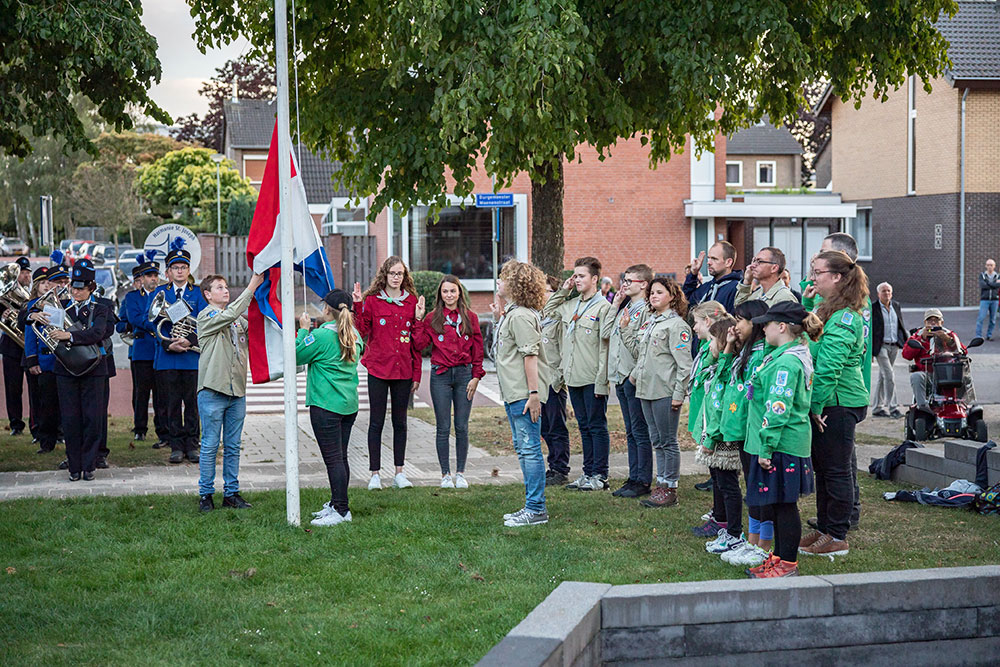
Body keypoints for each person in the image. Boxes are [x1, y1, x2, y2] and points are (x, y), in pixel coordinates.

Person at [798, 250, 869, 558]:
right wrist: (808, 303)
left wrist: (814, 407)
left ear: (837, 277)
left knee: (837, 470)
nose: (812, 277)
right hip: (827, 401)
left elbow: (828, 368)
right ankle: (826, 527)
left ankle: (838, 535)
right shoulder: (828, 310)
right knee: (824, 469)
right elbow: (810, 340)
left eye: (817, 272)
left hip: (837, 403)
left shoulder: (846, 318)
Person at [744, 301, 823, 578]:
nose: (762, 328)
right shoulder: (782, 355)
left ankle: (787, 564)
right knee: (775, 505)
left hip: (781, 445)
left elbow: (778, 408)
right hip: (778, 444)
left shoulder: (786, 364)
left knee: (784, 506)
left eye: (767, 323)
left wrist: (766, 447)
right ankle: (777, 557)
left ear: (781, 327)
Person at [195, 272, 264, 512]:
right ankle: (206, 494)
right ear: (207, 294)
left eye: (226, 287)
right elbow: (232, 312)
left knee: (233, 445)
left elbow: (253, 322)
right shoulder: (206, 316)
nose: (225, 291)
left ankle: (231, 493)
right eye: (219, 288)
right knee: (210, 444)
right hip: (213, 389)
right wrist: (252, 286)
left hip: (237, 390)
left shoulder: (235, 320)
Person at [352, 256, 422, 490]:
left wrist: (417, 374)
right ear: (385, 274)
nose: (395, 277)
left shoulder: (411, 302)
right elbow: (361, 330)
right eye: (392, 273)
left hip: (403, 370)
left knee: (400, 422)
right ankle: (374, 474)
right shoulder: (372, 301)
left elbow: (417, 344)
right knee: (376, 422)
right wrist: (358, 305)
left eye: (400, 274)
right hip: (379, 369)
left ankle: (399, 473)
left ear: (404, 276)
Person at [543, 257, 612, 491]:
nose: (577, 279)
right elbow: (548, 310)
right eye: (575, 275)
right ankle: (587, 472)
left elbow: (605, 347)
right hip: (573, 376)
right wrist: (564, 290)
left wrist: (603, 380)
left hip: (592, 377)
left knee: (596, 425)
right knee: (583, 425)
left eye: (581, 276)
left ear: (595, 279)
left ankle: (600, 475)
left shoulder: (603, 307)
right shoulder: (571, 305)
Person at [298, 289, 365, 527]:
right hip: (348, 405)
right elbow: (362, 351)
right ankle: (337, 503)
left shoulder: (322, 336)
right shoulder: (354, 334)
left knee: (334, 459)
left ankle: (342, 510)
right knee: (341, 457)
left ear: (327, 309)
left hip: (325, 405)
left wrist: (304, 329)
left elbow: (296, 355)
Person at [491, 260, 551, 527]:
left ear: (514, 284)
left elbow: (531, 356)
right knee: (523, 448)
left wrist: (534, 393)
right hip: (513, 393)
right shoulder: (513, 314)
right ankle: (531, 505)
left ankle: (536, 508)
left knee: (530, 450)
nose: (498, 283)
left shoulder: (522, 316)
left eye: (502, 278)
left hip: (525, 395)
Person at [716, 301, 775, 568]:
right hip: (746, 429)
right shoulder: (747, 351)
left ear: (756, 322)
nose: (735, 326)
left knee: (761, 491)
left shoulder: (764, 353)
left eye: (740, 321)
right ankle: (751, 542)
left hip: (758, 431)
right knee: (753, 490)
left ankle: (762, 545)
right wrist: (729, 345)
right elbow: (724, 376)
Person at [412, 274, 485, 489]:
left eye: (453, 291)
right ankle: (445, 474)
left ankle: (461, 473)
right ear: (440, 294)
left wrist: (476, 376)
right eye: (445, 291)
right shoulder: (433, 318)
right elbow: (419, 344)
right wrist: (418, 320)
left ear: (459, 292)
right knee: (443, 427)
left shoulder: (470, 317)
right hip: (440, 376)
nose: (449, 295)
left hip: (464, 376)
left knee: (461, 426)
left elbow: (477, 349)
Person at [47, 261, 111, 481]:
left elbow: (98, 332)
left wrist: (70, 336)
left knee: (92, 419)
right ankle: (74, 466)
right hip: (66, 370)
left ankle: (89, 464)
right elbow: (27, 314)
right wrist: (33, 315)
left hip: (94, 369)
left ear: (90, 288)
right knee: (70, 419)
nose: (75, 292)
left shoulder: (101, 307)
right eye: (73, 287)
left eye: (80, 288)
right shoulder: (60, 306)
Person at [632, 279, 693, 509]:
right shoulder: (650, 322)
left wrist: (679, 394)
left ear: (672, 296)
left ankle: (670, 487)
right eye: (651, 293)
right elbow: (643, 355)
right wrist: (635, 376)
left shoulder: (676, 325)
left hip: (665, 391)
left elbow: (684, 365)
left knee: (668, 440)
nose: (653, 296)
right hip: (647, 389)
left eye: (659, 292)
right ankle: (661, 483)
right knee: (656, 440)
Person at [149, 246, 208, 464]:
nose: (180, 271)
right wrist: (168, 345)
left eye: (183, 267)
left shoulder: (197, 293)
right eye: (175, 267)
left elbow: (204, 321)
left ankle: (192, 444)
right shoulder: (160, 293)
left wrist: (190, 340)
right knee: (171, 403)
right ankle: (176, 445)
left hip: (191, 359)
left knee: (192, 403)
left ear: (188, 269)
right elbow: (153, 323)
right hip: (168, 358)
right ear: (168, 272)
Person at [699, 317, 749, 559]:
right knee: (721, 484)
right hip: (717, 436)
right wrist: (727, 346)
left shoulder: (729, 373)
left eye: (711, 341)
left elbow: (719, 409)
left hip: (722, 438)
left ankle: (734, 533)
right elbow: (719, 364)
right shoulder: (724, 366)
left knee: (729, 487)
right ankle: (728, 530)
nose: (708, 346)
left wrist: (710, 440)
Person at [607, 264, 652, 498]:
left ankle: (643, 480)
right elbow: (606, 334)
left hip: (633, 376)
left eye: (630, 281)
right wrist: (615, 304)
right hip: (620, 375)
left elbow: (641, 346)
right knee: (630, 430)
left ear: (643, 284)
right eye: (623, 280)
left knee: (639, 430)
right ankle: (633, 476)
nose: (624, 284)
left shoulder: (645, 309)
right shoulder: (626, 307)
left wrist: (633, 375)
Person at [119, 256, 168, 446]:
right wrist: (155, 325)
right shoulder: (132, 297)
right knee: (141, 393)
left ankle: (163, 430)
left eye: (155, 275)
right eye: (149, 276)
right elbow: (135, 319)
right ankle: (140, 428)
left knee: (161, 394)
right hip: (142, 351)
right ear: (143, 278)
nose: (153, 279)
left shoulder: (164, 294)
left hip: (161, 350)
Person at [21, 268, 59, 454]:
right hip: (44, 360)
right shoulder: (32, 307)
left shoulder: (59, 303)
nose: (46, 286)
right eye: (43, 283)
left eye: (48, 283)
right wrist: (32, 360)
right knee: (46, 403)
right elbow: (29, 336)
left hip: (61, 359)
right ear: (36, 286)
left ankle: (63, 434)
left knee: (64, 402)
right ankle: (46, 441)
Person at [902, 308, 970, 410]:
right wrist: (923, 339)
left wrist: (947, 340)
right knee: (916, 376)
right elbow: (906, 355)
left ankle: (961, 405)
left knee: (964, 375)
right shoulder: (917, 336)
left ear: (941, 322)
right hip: (927, 374)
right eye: (930, 320)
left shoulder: (949, 334)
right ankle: (922, 408)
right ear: (925, 322)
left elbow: (963, 351)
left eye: (936, 320)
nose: (933, 323)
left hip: (948, 373)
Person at [539, 276, 571, 485]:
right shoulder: (539, 316)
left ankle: (560, 468)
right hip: (539, 380)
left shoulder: (559, 316)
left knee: (556, 425)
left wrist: (559, 378)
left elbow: (563, 349)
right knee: (544, 427)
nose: (545, 295)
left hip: (554, 380)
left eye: (549, 291)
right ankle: (553, 464)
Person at [1, 256, 31, 436]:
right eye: (23, 273)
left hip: (30, 346)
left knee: (37, 388)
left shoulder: (33, 294)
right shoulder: (4, 295)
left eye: (28, 272)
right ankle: (16, 424)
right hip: (11, 345)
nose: (26, 276)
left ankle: (39, 426)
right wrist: (4, 315)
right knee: (13, 388)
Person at [870, 282, 906, 418]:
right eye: (884, 291)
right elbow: (871, 329)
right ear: (878, 294)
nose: (887, 294)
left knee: (882, 377)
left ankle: (877, 408)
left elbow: (900, 324)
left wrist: (904, 342)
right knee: (889, 376)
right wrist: (871, 350)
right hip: (881, 346)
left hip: (894, 345)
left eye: (889, 291)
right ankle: (893, 408)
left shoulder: (896, 306)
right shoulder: (873, 308)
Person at [683, 241, 743, 313]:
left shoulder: (737, 288)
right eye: (709, 258)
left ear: (728, 262)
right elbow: (685, 303)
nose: (709, 262)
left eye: (714, 259)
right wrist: (693, 274)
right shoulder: (706, 287)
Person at [976, 259, 1000, 340]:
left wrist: (988, 283)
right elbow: (983, 286)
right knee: (981, 318)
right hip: (985, 299)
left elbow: (998, 286)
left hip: (994, 300)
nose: (989, 267)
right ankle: (978, 336)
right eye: (988, 265)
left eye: (991, 265)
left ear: (994, 266)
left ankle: (989, 335)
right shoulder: (982, 275)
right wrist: (994, 284)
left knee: (993, 319)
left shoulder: (998, 275)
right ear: (986, 266)